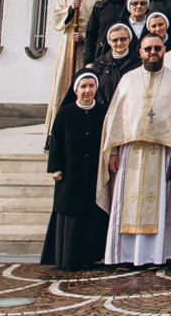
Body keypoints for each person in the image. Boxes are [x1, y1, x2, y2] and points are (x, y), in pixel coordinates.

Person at [97, 33, 171, 267]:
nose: (153, 53)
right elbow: (117, 117)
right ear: (139, 51)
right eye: (148, 48)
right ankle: (124, 255)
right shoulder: (128, 79)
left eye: (157, 48)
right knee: (126, 203)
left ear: (164, 51)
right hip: (130, 153)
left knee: (160, 206)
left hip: (162, 154)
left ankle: (156, 255)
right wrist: (115, 152)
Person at [41, 70, 109, 270]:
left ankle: (90, 256)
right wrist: (56, 167)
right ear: (75, 90)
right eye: (83, 87)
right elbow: (57, 141)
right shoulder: (66, 112)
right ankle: (68, 258)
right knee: (71, 212)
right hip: (70, 173)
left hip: (94, 173)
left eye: (91, 86)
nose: (87, 91)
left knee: (91, 213)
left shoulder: (103, 111)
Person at [46, 0, 101, 139]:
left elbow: (100, 26)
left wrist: (85, 36)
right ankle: (55, 133)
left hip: (87, 46)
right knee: (64, 84)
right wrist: (70, 10)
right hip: (69, 43)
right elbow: (55, 20)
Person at [86, 0, 130, 64]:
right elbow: (90, 34)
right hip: (103, 55)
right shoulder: (100, 7)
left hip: (126, 56)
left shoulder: (130, 7)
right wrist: (88, 61)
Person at [89, 24, 139, 103]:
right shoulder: (99, 63)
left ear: (129, 39)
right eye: (115, 40)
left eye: (123, 39)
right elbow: (96, 90)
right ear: (109, 42)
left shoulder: (138, 62)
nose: (119, 43)